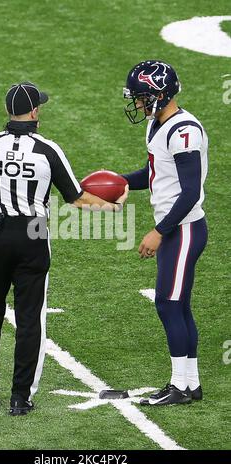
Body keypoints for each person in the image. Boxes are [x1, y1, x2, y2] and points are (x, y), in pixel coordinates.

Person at [0, 81, 128, 416]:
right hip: (32, 234)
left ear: (8, 111)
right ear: (36, 111)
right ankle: (20, 397)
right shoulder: (47, 150)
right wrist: (114, 207)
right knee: (30, 319)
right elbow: (78, 197)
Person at [121, 60, 208, 405]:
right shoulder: (158, 125)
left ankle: (180, 387)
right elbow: (154, 173)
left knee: (169, 305)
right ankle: (190, 384)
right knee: (178, 305)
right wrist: (118, 181)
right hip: (177, 228)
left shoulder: (184, 129)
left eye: (142, 97)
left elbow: (189, 193)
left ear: (159, 94)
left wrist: (158, 231)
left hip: (184, 229)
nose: (138, 104)